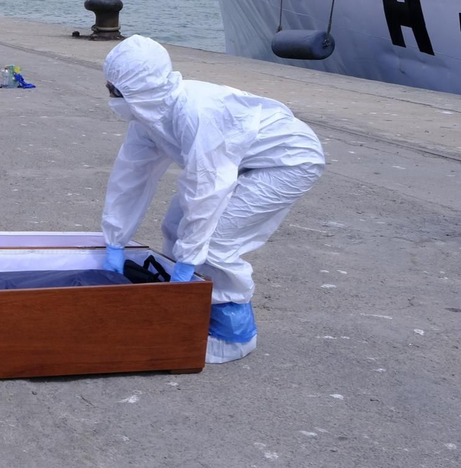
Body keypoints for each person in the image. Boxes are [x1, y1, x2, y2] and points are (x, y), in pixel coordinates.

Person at [99, 36, 325, 364]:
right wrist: (114, 242)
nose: (110, 97)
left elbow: (206, 190)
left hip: (286, 161)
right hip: (240, 159)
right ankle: (196, 311)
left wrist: (188, 262)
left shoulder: (195, 112)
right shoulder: (147, 117)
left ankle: (234, 338)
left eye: (114, 89)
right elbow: (130, 178)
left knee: (217, 243)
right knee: (176, 226)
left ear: (138, 87)